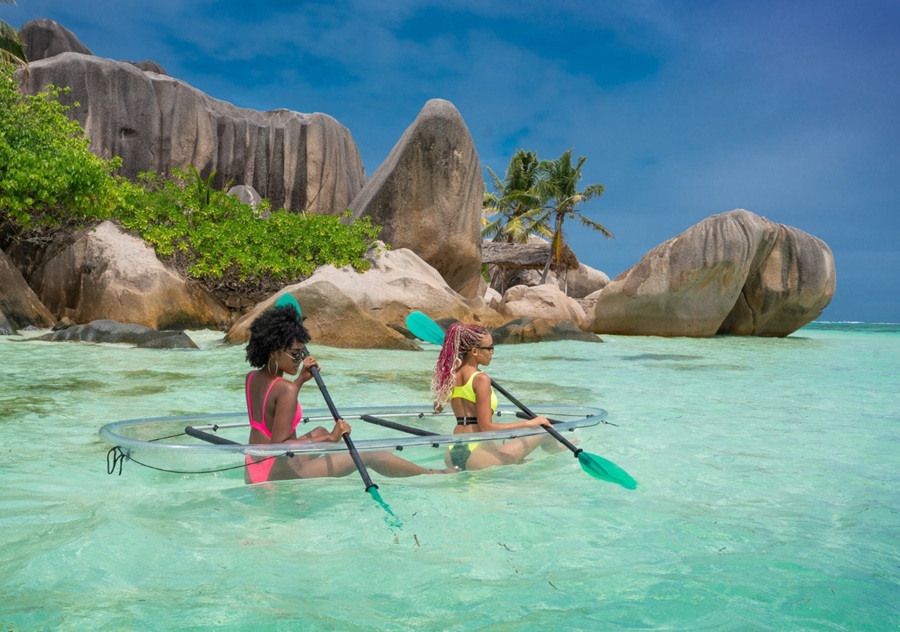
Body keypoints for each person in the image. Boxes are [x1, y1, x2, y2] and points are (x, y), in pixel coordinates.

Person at [243, 304, 456, 483]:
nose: (299, 360)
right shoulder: (286, 389)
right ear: (273, 352)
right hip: (279, 472)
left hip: (254, 468)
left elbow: (274, 410)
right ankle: (432, 474)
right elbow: (280, 447)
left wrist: (300, 380)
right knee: (369, 453)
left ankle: (369, 460)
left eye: (301, 354)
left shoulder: (252, 378)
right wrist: (330, 438)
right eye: (295, 354)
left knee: (319, 430)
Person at [430, 322, 562, 471]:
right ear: (474, 351)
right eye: (489, 348)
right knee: (544, 429)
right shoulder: (481, 379)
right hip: (476, 455)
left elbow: (438, 408)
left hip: (453, 451)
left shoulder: (451, 376)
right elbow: (486, 427)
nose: (492, 352)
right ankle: (559, 454)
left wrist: (454, 369)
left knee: (518, 458)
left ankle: (519, 459)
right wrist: (529, 423)